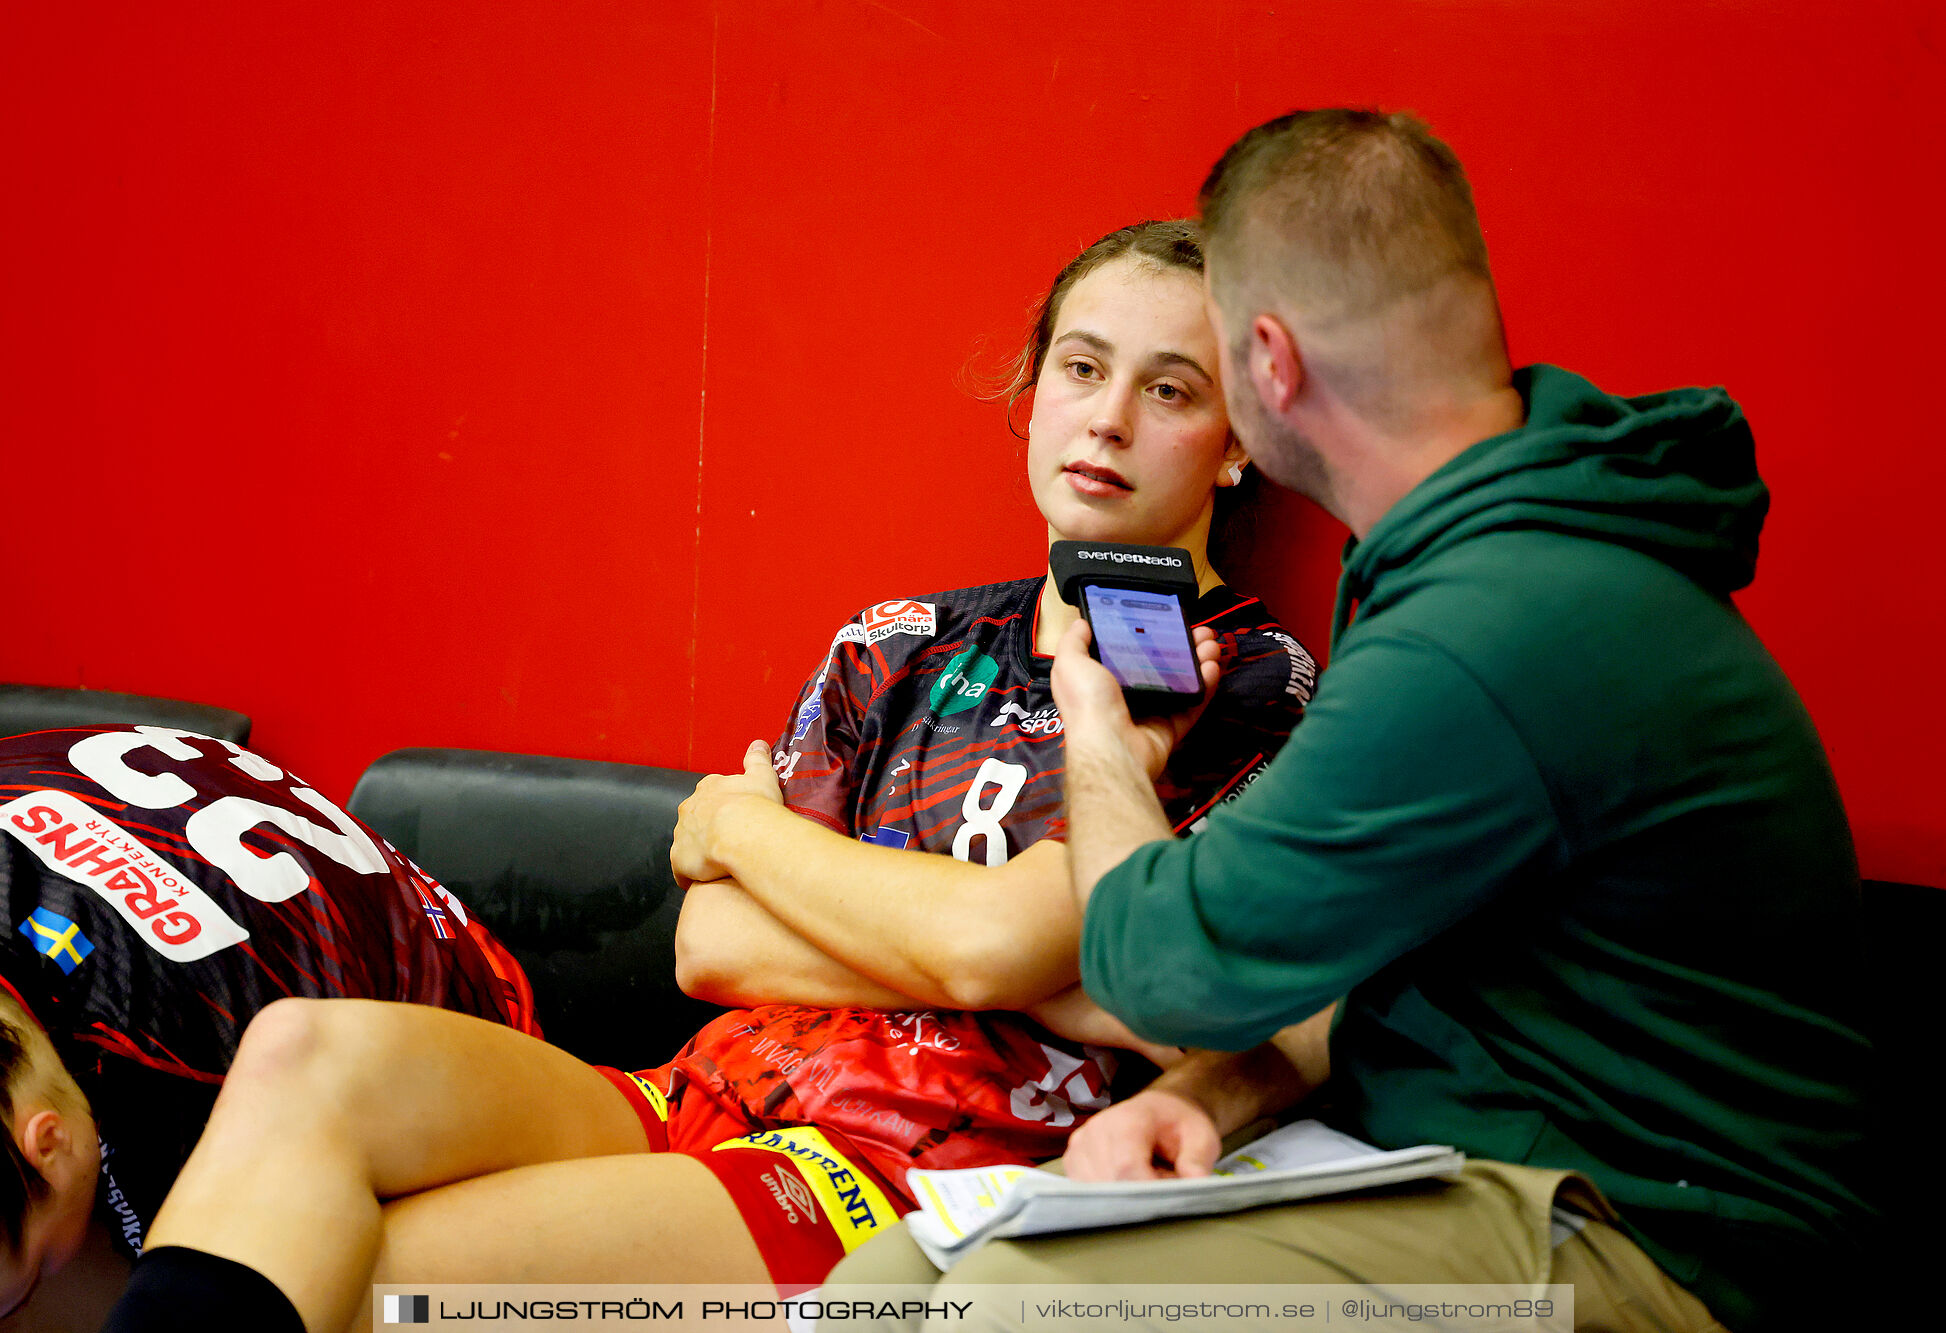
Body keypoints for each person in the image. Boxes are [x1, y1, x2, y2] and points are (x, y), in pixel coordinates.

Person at [97, 221, 1317, 1333]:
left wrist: (746, 827)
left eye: (1169, 390)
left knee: (377, 1281)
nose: (1106, 418)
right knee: (302, 1051)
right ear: (1033, 392)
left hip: (900, 1174)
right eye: (1081, 368)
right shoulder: (897, 641)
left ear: (1234, 450)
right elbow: (711, 945)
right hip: (709, 1085)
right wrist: (985, 946)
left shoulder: (1249, 686)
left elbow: (1001, 951)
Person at [826, 110, 1875, 1333]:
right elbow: (1369, 981)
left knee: (1005, 1305)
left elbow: (1160, 972)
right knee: (891, 1288)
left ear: (1266, 366)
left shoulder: (1494, 623)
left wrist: (1100, 730)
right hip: (1471, 1156)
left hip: (1665, 1240)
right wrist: (1217, 1099)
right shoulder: (1464, 562)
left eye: (1193, 368)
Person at [0, 723, 536, 1327]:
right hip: (227, 907)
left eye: (26, 1278)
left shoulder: (196, 1072)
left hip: (466, 1018)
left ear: (47, 1142)